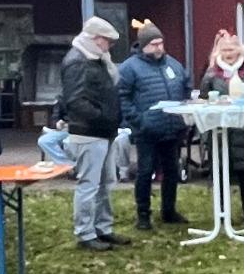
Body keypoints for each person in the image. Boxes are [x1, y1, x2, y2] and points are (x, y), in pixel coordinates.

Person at [117, 22, 192, 230]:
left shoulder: (174, 65)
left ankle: (169, 210)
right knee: (145, 171)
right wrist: (139, 121)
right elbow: (123, 97)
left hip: (172, 129)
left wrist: (183, 116)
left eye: (160, 43)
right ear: (143, 46)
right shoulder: (129, 68)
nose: (159, 48)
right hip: (147, 131)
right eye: (153, 44)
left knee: (171, 171)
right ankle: (143, 214)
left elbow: (186, 87)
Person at [58, 16, 123, 252]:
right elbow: (75, 101)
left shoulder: (95, 59)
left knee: (105, 183)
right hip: (88, 132)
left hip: (103, 131)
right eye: (109, 41)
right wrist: (104, 116)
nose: (110, 46)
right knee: (89, 184)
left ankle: (103, 228)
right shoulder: (78, 62)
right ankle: (85, 233)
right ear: (96, 39)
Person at [197, 31, 244, 226]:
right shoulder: (211, 74)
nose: (229, 53)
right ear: (218, 51)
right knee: (221, 171)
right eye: (224, 49)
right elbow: (203, 100)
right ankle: (222, 211)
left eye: (232, 49)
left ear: (240, 49)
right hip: (219, 130)